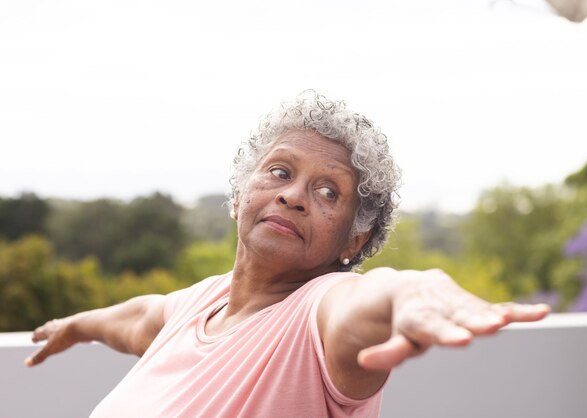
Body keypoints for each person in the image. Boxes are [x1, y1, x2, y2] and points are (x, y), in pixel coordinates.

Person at [25, 91, 549, 417]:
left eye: (328, 192)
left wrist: (410, 290)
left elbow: (363, 303)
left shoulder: (319, 311)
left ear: (354, 240)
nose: (294, 195)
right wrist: (78, 324)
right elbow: (139, 317)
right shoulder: (200, 305)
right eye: (280, 171)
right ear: (238, 197)